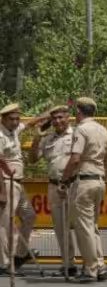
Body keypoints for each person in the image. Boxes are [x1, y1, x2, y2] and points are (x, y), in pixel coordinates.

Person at [59, 97, 107, 283]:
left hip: (84, 181)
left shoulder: (81, 129)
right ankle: (100, 266)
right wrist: (105, 177)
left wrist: (64, 180)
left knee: (84, 228)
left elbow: (75, 159)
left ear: (79, 112)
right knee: (92, 226)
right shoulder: (103, 130)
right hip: (99, 180)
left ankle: (90, 269)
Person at [29, 105, 77, 276]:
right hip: (55, 186)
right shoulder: (48, 139)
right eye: (54, 118)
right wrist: (37, 138)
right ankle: (68, 265)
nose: (58, 121)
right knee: (60, 227)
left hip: (74, 185)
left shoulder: (77, 135)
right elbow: (33, 159)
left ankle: (91, 266)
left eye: (61, 117)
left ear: (68, 117)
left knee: (82, 226)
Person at [0, 103, 45, 275]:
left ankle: (20, 254)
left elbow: (30, 123)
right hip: (6, 182)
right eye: (11, 119)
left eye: (17, 119)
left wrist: (48, 114)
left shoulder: (14, 130)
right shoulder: (1, 135)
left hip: (18, 183)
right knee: (5, 223)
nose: (15, 122)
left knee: (29, 216)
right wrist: (2, 191)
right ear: (3, 119)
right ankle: (4, 262)